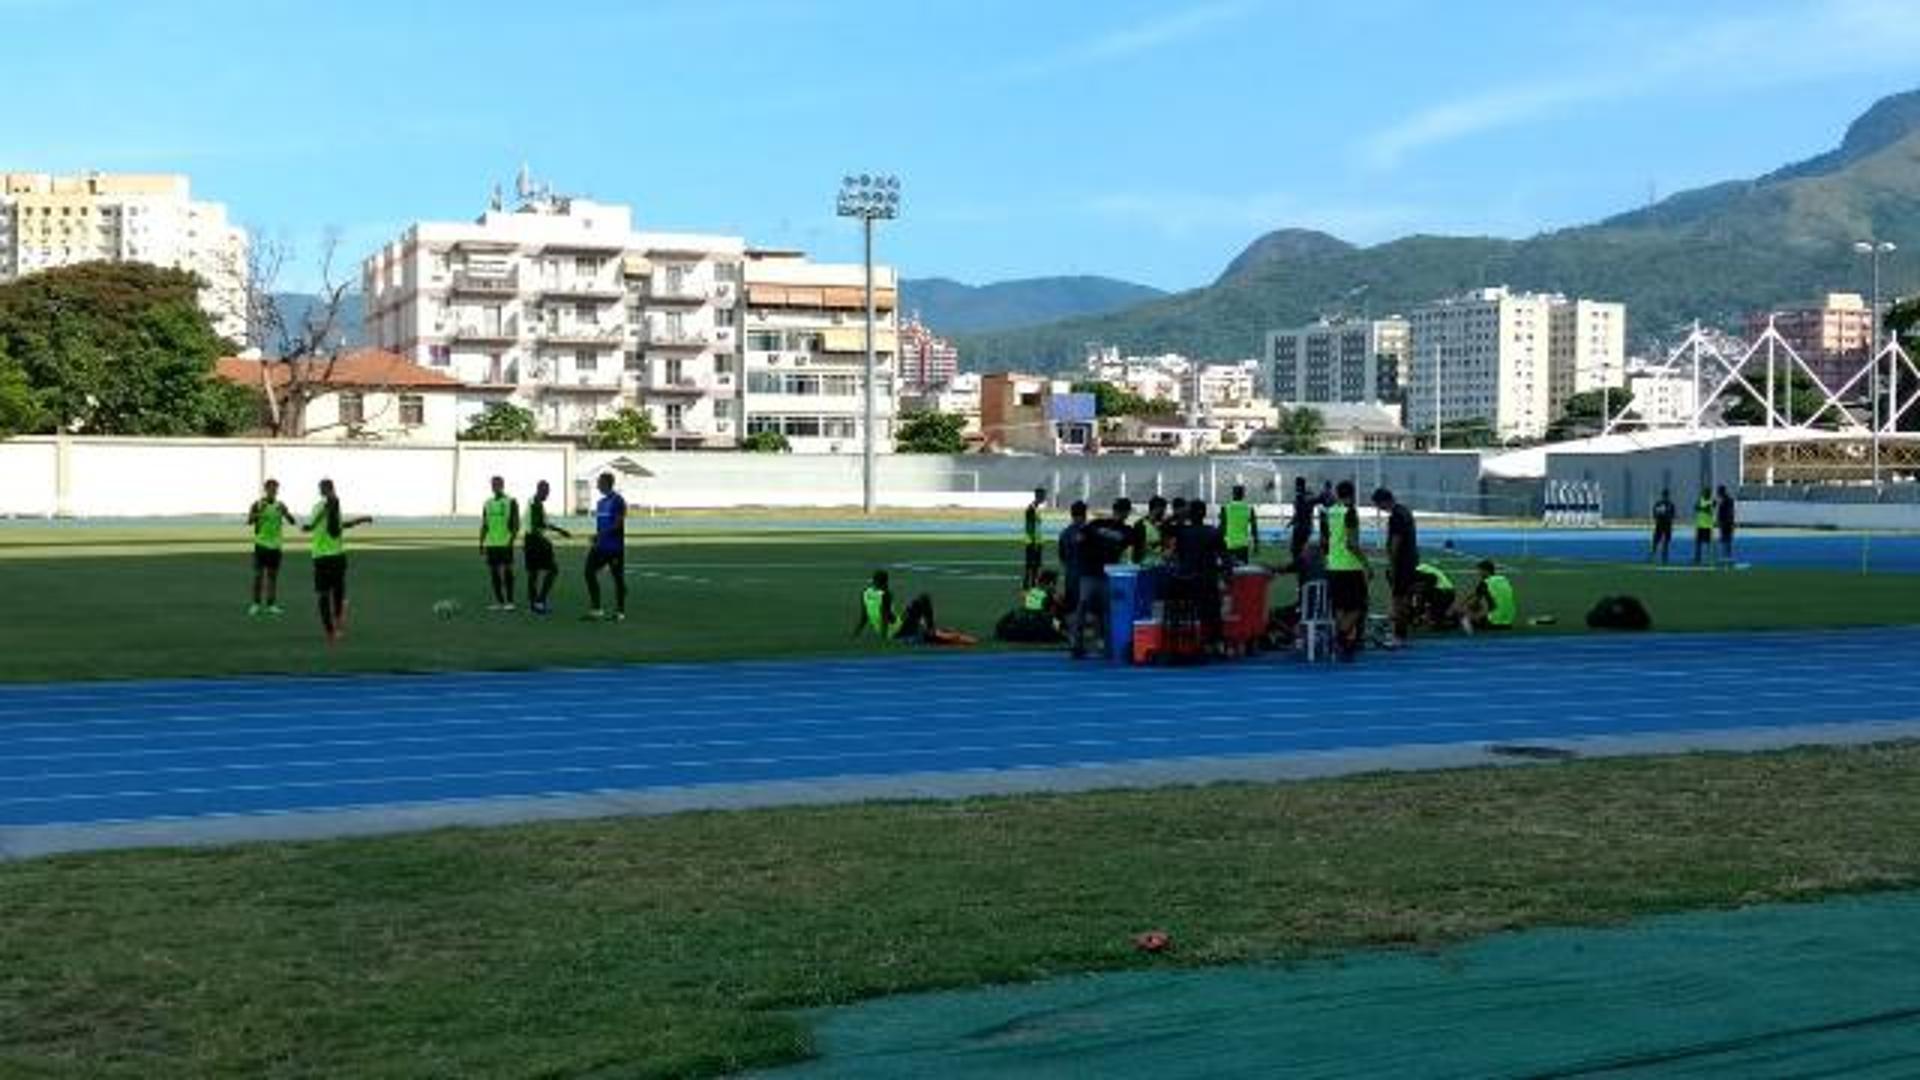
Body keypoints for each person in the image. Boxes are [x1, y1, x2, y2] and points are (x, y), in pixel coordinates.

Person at [301, 478, 372, 644]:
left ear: (322, 490)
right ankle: (337, 622)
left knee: (325, 595)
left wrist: (359, 520)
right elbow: (333, 526)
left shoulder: (319, 507)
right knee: (336, 592)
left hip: (322, 557)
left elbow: (336, 525)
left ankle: (331, 631)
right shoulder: (327, 506)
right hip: (335, 556)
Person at [1069, 500, 1137, 659]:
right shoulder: (1099, 523)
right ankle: (1079, 646)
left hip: (1105, 575)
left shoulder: (1119, 529)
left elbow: (1125, 538)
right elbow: (1079, 539)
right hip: (1094, 573)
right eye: (1124, 512)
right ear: (1123, 512)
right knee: (1086, 608)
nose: (1125, 515)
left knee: (1103, 611)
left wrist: (1098, 532)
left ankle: (1105, 645)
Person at [1168, 499, 1228, 649]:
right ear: (1205, 513)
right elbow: (1224, 557)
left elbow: (1178, 554)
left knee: (1187, 608)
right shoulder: (1213, 532)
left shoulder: (1183, 532)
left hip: (1187, 581)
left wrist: (1177, 516)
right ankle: (1215, 641)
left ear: (1189, 514)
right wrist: (1227, 574)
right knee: (1214, 611)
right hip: (1207, 579)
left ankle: (1187, 640)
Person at [856, 570, 975, 645]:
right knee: (924, 598)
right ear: (885, 582)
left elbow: (864, 617)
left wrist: (856, 634)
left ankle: (928, 629)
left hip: (893, 628)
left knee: (915, 615)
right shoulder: (885, 594)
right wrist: (884, 640)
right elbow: (885, 617)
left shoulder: (865, 593)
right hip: (896, 631)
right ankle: (931, 629)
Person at [1322, 480, 1370, 660]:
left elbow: (1326, 540)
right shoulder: (1350, 512)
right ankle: (1341, 638)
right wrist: (1367, 564)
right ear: (1353, 493)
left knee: (1340, 607)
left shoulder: (1331, 512)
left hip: (1333, 565)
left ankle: (1343, 644)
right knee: (1359, 606)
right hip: (1350, 567)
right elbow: (1352, 544)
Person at [1372, 487, 1417, 648]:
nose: (1378, 508)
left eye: (1378, 504)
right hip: (1410, 560)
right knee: (1402, 598)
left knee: (1399, 600)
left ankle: (1399, 636)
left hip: (1402, 563)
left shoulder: (1396, 516)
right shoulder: (1405, 511)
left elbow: (1395, 543)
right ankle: (1399, 633)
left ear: (1384, 501)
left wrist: (1392, 565)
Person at [246, 478, 295, 617]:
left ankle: (271, 605)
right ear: (266, 489)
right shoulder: (258, 504)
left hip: (276, 546)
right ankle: (255, 604)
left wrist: (285, 513)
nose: (274, 491)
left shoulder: (281, 505)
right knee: (258, 576)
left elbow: (292, 521)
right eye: (271, 488)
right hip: (261, 545)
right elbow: (249, 521)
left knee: (272, 577)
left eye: (276, 488)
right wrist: (258, 513)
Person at [583, 472, 628, 622]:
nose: (597, 485)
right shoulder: (600, 503)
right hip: (600, 546)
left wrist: (601, 535)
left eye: (599, 482)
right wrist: (597, 538)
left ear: (607, 483)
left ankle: (620, 612)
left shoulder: (618, 501)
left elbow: (618, 524)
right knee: (589, 572)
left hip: (614, 548)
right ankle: (597, 609)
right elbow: (600, 525)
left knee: (617, 578)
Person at [524, 479, 572, 616]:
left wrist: (559, 530)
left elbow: (542, 522)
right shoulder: (536, 504)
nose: (547, 495)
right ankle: (540, 601)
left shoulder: (533, 501)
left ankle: (534, 605)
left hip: (529, 541)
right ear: (540, 490)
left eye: (548, 492)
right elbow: (538, 524)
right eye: (546, 491)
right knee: (553, 570)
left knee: (533, 573)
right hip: (536, 541)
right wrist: (546, 539)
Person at [479, 475, 521, 612]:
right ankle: (499, 602)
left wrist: (511, 540)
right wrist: (481, 542)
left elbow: (516, 524)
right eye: (493, 484)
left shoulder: (511, 501)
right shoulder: (487, 503)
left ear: (503, 485)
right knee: (494, 573)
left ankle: (510, 602)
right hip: (491, 543)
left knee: (508, 572)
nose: (495, 486)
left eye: (497, 484)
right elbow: (485, 524)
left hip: (505, 543)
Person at [995, 568, 1065, 643]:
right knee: (1057, 618)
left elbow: (1023, 596)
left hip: (1023, 619)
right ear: (1051, 583)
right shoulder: (1051, 594)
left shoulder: (1031, 591)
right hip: (1038, 621)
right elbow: (1056, 611)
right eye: (1055, 583)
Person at [1459, 559, 1516, 633]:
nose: (1479, 573)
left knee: (1464, 619)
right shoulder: (1504, 579)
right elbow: (1475, 593)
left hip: (1494, 621)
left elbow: (1474, 601)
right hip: (1509, 620)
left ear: (1485, 571)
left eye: (1480, 571)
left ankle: (1472, 638)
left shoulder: (1485, 582)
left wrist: (1463, 607)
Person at [1057, 500, 1088, 617]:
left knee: (1072, 604)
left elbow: (1062, 557)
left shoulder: (1064, 533)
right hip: (1086, 575)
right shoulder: (1089, 532)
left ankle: (1072, 628)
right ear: (1084, 515)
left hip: (1070, 574)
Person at [1219, 484, 1259, 565]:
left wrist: (1219, 543)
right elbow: (1254, 527)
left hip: (1229, 544)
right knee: (1242, 571)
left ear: (1233, 494)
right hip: (1243, 544)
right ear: (1243, 495)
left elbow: (1222, 527)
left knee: (1228, 569)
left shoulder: (1225, 508)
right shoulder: (1249, 509)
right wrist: (1256, 544)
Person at [1411, 560, 1457, 628]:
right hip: (1447, 592)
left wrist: (1418, 611)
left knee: (1419, 592)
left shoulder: (1417, 572)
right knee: (1419, 592)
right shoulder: (1422, 567)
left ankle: (1453, 618)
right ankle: (1443, 616)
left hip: (1443, 593)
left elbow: (1432, 580)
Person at [1022, 487, 1047, 588]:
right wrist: (1035, 543)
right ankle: (1029, 587)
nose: (1045, 498)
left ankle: (1031, 586)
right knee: (1031, 567)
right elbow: (1032, 529)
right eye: (1043, 495)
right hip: (1033, 543)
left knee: (1033, 567)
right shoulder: (1031, 509)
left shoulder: (1035, 508)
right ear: (1038, 496)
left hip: (1035, 542)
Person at [1288, 477, 1316, 563]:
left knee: (1296, 547)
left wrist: (1292, 521)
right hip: (1307, 525)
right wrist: (1291, 522)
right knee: (1301, 546)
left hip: (1301, 526)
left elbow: (1300, 512)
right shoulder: (1308, 495)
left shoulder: (1300, 496)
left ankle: (1298, 563)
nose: (1295, 487)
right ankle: (1301, 563)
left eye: (1296, 485)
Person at [1139, 495, 1170, 567]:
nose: (1164, 513)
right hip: (1146, 566)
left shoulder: (1163, 526)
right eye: (1163, 510)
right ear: (1156, 509)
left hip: (1160, 566)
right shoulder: (1141, 525)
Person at [1650, 488, 1676, 565]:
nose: (1665, 497)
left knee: (1666, 542)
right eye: (1664, 495)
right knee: (1656, 541)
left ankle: (1664, 556)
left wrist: (1666, 515)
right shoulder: (1658, 504)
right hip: (1660, 525)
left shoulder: (1670, 505)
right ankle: (1653, 555)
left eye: (1666, 495)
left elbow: (1672, 515)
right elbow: (1654, 513)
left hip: (1667, 525)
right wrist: (1659, 515)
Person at [1692, 486, 1715, 566]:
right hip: (1700, 525)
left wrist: (1701, 508)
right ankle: (1697, 558)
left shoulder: (1712, 501)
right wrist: (1702, 508)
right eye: (1705, 492)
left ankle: (1709, 558)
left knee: (1708, 544)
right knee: (1698, 543)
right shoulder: (1700, 500)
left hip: (1708, 526)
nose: (1706, 494)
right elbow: (1696, 507)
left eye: (1707, 492)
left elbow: (1708, 509)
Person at [1716, 484, 1737, 565]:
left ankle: (1727, 555)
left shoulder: (1726, 500)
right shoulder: (1724, 500)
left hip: (1726, 522)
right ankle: (1726, 555)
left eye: (1718, 492)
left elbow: (1729, 512)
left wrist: (1726, 521)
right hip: (1726, 522)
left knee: (1726, 539)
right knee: (1726, 539)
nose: (1718, 494)